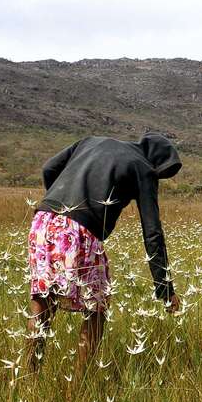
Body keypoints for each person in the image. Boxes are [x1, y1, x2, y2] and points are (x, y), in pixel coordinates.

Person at [26, 133, 182, 377]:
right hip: (79, 230)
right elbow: (152, 232)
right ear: (157, 162)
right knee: (96, 310)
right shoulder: (143, 167)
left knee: (43, 303)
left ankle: (28, 377)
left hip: (43, 221)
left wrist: (60, 203)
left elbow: (49, 168)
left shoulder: (91, 141)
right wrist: (165, 289)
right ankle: (78, 389)